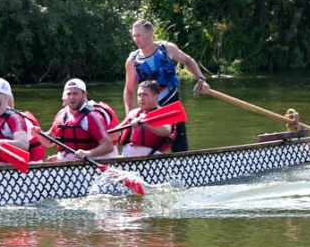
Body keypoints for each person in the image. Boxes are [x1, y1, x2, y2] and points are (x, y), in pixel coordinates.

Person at [123, 19, 208, 152]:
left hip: (172, 105)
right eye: (134, 35)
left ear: (150, 34)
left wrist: (201, 79)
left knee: (180, 145)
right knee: (145, 143)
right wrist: (129, 114)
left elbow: (187, 60)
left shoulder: (167, 48)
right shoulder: (132, 61)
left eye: (138, 35)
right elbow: (129, 90)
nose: (135, 39)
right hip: (150, 110)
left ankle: (182, 165)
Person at [42, 78, 117, 161]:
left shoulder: (91, 116)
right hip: (69, 161)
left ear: (84, 94)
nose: (71, 97)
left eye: (75, 94)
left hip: (91, 161)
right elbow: (49, 142)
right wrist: (38, 133)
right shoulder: (61, 114)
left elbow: (108, 145)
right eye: (69, 94)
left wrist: (88, 153)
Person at [120, 80, 175, 157]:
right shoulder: (133, 113)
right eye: (139, 95)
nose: (141, 98)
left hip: (152, 161)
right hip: (126, 159)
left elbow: (166, 131)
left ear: (155, 96)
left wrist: (145, 122)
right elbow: (114, 134)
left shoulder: (165, 113)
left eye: (145, 95)